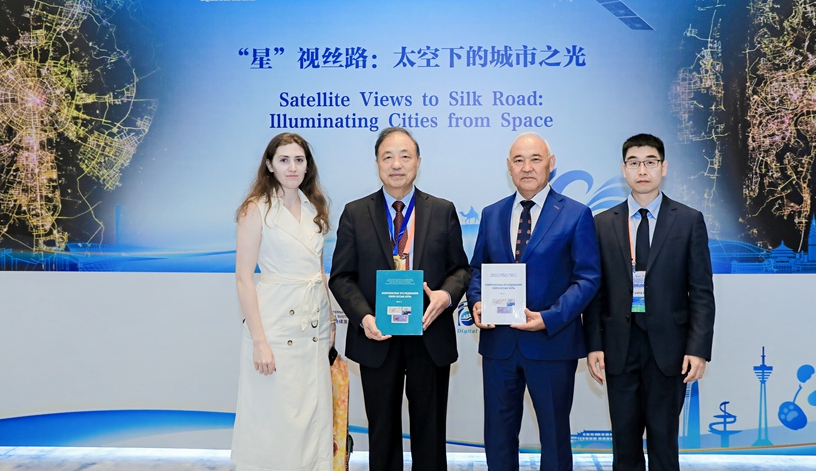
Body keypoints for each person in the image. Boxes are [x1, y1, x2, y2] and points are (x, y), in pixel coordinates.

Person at [329, 127, 471, 471]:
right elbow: (342, 277)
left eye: (405, 156)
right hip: (377, 336)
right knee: (382, 433)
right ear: (377, 163)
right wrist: (365, 318)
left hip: (428, 334)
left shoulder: (442, 210)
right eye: (388, 157)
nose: (396, 164)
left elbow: (460, 270)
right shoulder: (355, 212)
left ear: (418, 161)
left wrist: (445, 296)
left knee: (430, 433)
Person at [467, 132, 601, 471]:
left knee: (554, 437)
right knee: (498, 436)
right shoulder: (492, 213)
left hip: (551, 343)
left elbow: (587, 278)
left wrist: (549, 318)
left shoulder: (576, 214)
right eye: (519, 160)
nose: (527, 167)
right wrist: (477, 301)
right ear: (509, 167)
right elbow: (477, 269)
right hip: (499, 346)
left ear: (551, 164)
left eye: (535, 159)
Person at [584, 133, 716, 471]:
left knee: (663, 441)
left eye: (650, 162)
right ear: (623, 170)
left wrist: (698, 349)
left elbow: (701, 291)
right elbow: (594, 291)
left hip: (669, 348)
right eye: (634, 163)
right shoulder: (601, 223)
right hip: (619, 346)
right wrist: (593, 344)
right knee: (624, 442)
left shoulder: (688, 220)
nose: (642, 170)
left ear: (663, 167)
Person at [231, 133, 335, 471]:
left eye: (299, 160)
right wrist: (259, 341)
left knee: (312, 413)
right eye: (284, 160)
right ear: (270, 165)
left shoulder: (314, 207)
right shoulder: (255, 209)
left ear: (307, 166)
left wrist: (331, 320)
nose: (292, 167)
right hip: (274, 324)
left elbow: (319, 271)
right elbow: (244, 278)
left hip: (313, 326)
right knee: (273, 416)